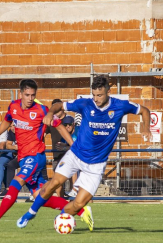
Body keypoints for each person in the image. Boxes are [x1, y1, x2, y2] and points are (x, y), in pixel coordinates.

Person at [17, 76, 152, 231]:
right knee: (54, 184)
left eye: (100, 95)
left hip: (96, 164)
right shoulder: (85, 104)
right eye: (94, 95)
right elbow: (59, 105)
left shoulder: (120, 105)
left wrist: (146, 127)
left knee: (79, 204)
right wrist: (50, 113)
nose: (96, 99)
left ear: (108, 92)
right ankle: (30, 213)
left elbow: (144, 110)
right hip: (75, 155)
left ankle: (62, 217)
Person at [0, 79, 93, 230]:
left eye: (32, 95)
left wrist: (73, 145)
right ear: (21, 93)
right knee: (41, 197)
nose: (30, 98)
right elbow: (7, 121)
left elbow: (59, 126)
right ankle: (81, 210)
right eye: (27, 95)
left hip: (35, 156)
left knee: (17, 181)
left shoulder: (41, 110)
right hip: (23, 157)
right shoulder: (13, 107)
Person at [45, 99, 68, 197]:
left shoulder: (69, 120)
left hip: (70, 154)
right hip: (57, 155)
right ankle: (60, 199)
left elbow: (76, 137)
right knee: (57, 181)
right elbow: (43, 134)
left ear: (62, 109)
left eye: (57, 109)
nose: (55, 112)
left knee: (74, 177)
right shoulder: (51, 122)